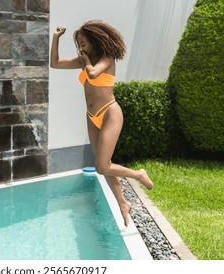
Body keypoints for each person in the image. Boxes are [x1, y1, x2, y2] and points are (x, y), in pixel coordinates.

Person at [50, 20, 154, 227]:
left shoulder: (108, 58)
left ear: (95, 41)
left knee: (101, 166)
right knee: (104, 167)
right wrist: (55, 38)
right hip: (91, 115)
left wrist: (86, 60)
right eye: (79, 44)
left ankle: (138, 174)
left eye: (84, 43)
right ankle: (123, 203)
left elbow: (93, 73)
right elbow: (55, 63)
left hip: (110, 113)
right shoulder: (83, 60)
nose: (81, 48)